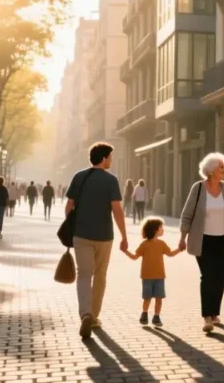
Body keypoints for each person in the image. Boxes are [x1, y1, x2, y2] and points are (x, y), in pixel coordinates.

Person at [66, 142, 128, 338]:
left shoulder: (79, 177)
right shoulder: (111, 181)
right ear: (103, 158)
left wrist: (71, 227)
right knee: (100, 275)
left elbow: (69, 205)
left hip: (81, 235)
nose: (111, 160)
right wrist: (124, 236)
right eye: (110, 157)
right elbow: (117, 210)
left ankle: (85, 312)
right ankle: (93, 316)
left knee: (84, 274)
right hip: (104, 236)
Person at [179, 152, 224, 333]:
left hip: (223, 240)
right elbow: (187, 214)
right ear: (211, 171)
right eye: (221, 167)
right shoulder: (198, 188)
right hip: (203, 240)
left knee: (220, 278)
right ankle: (207, 317)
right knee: (207, 277)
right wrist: (182, 237)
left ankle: (214, 313)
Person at [122, 217, 182, 326]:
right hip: (147, 277)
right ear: (155, 230)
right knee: (147, 298)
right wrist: (125, 251)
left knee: (159, 298)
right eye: (161, 227)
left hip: (160, 276)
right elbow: (134, 256)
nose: (163, 229)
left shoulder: (162, 243)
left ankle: (156, 317)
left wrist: (180, 249)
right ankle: (144, 313)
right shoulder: (144, 244)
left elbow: (170, 254)